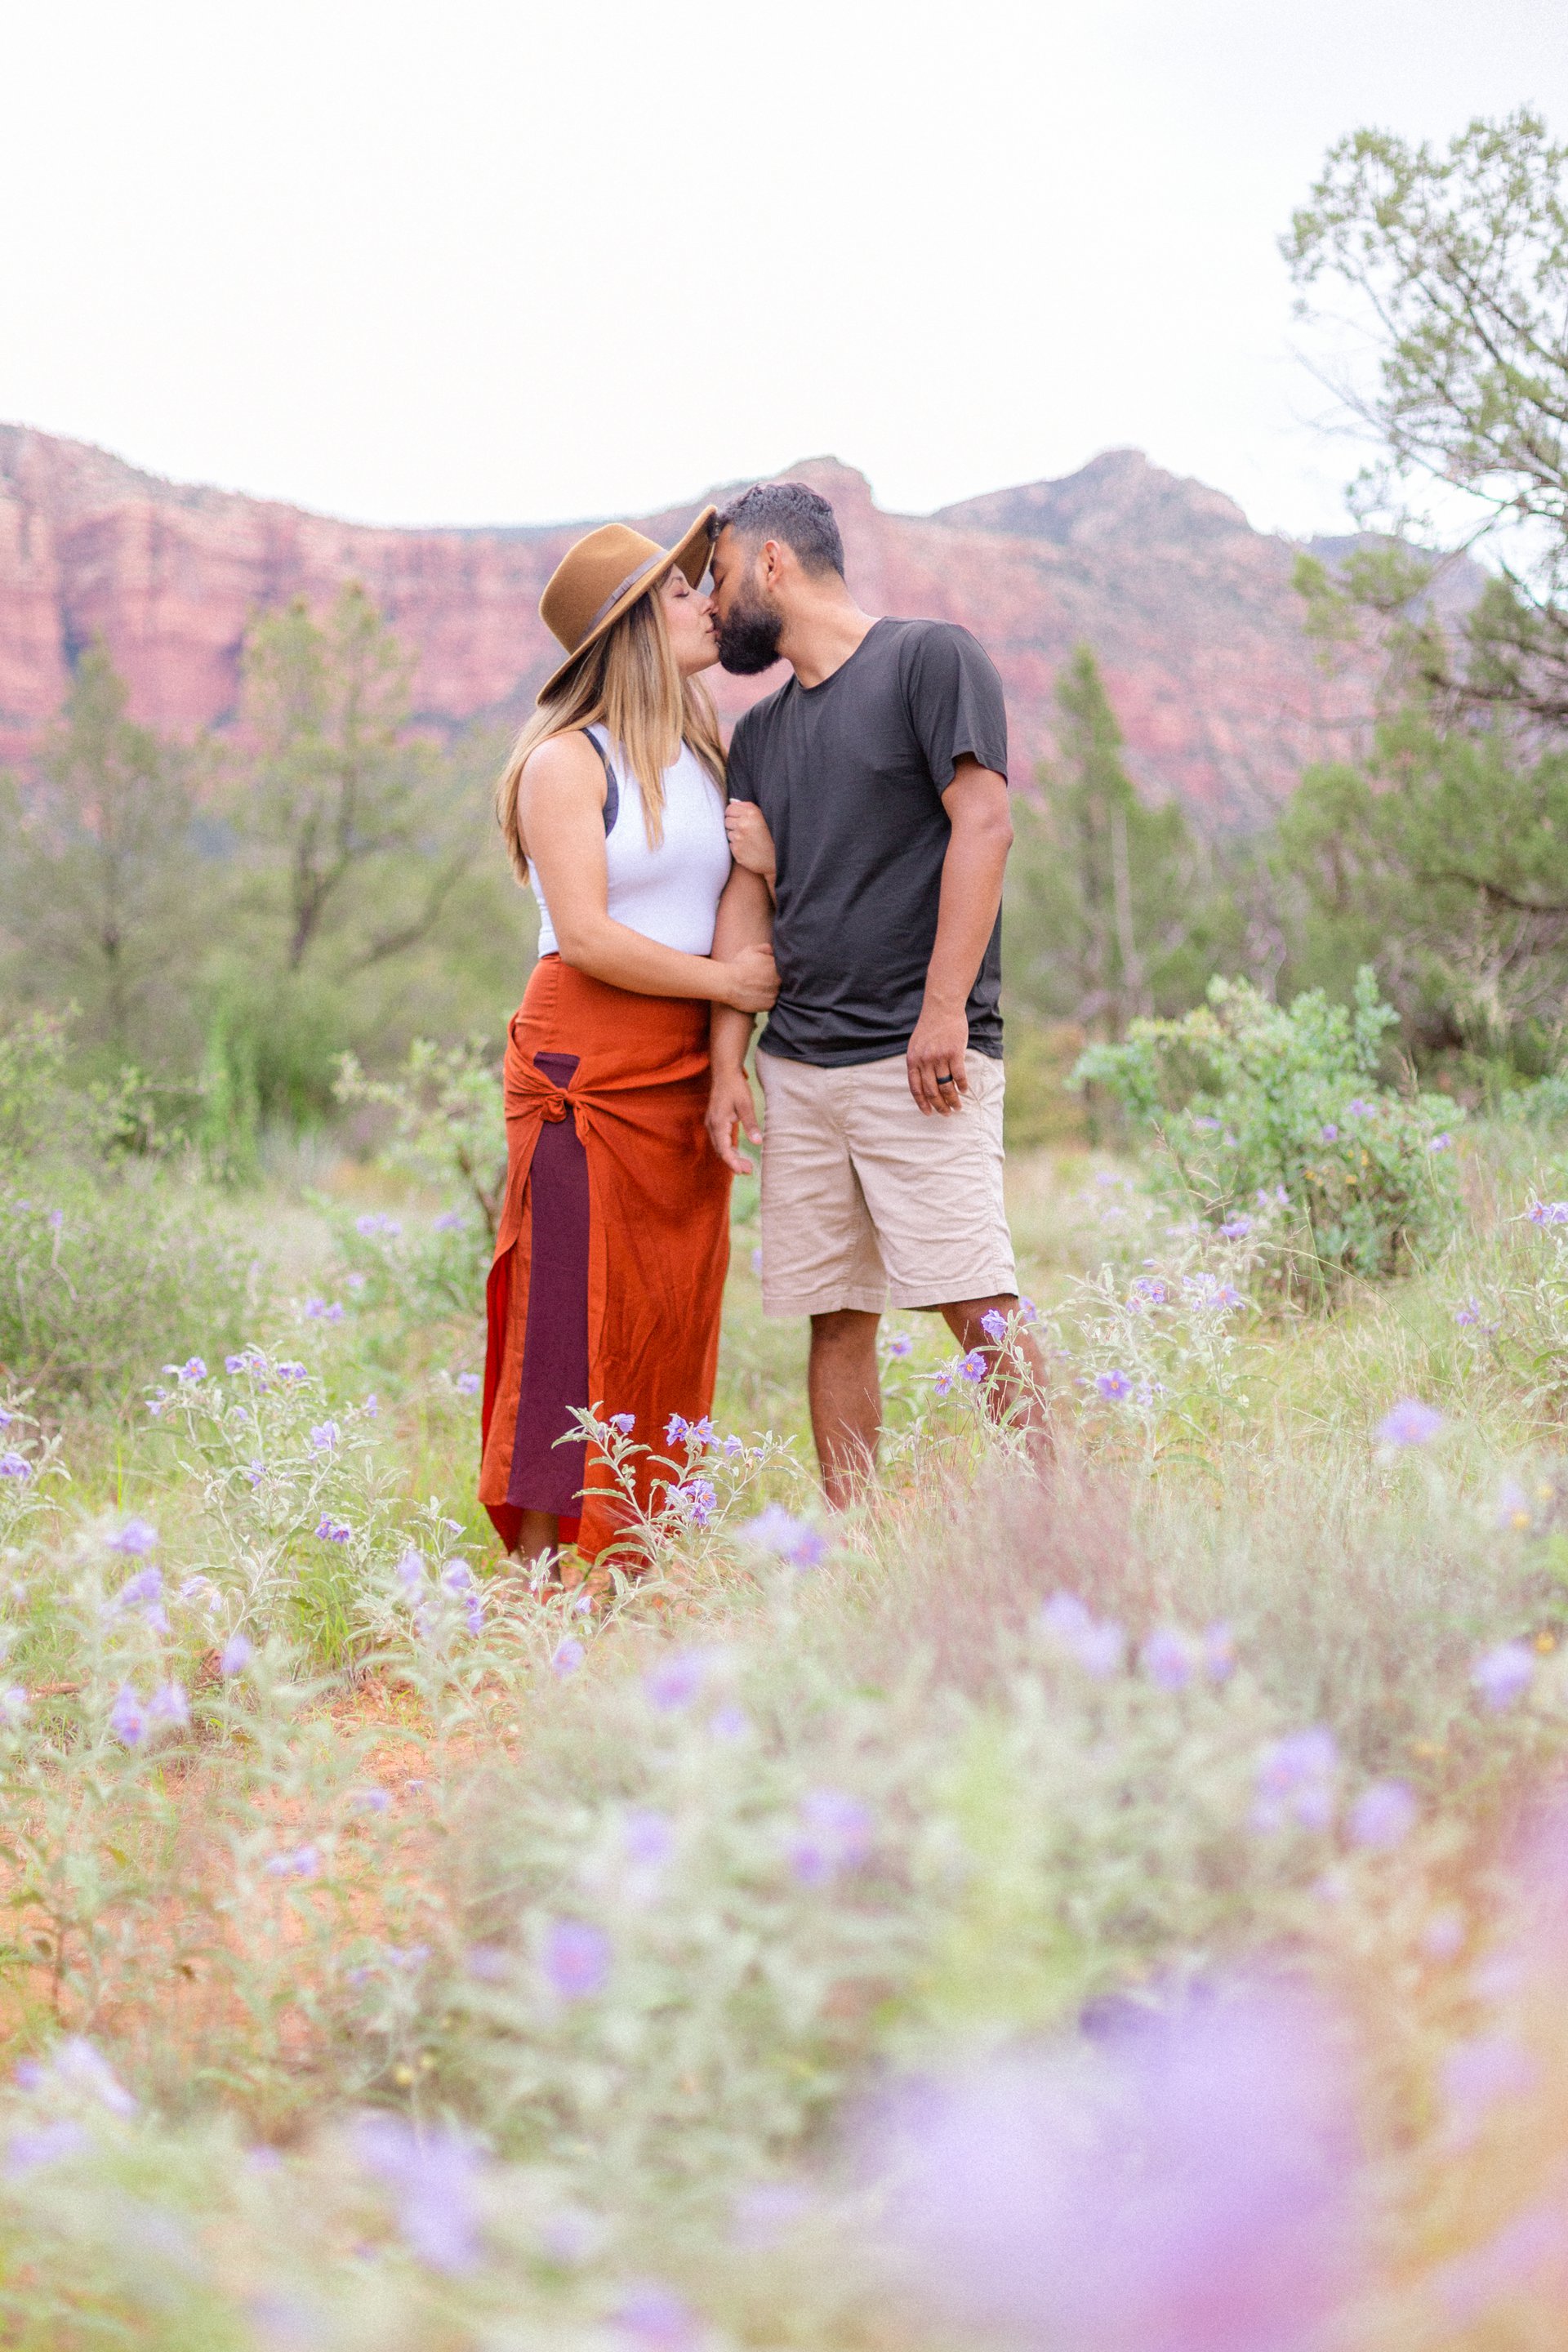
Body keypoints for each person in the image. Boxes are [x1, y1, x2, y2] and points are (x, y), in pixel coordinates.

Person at [704, 479, 1045, 1507]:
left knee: (973, 1294)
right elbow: (745, 902)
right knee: (834, 1313)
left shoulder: (929, 659)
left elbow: (984, 827)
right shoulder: (758, 736)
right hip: (800, 1067)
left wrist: (944, 1012)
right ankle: (857, 1546)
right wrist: (729, 1065)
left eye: (720, 578)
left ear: (772, 563)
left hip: (921, 1056)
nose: (713, 607)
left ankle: (1060, 1512)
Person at [480, 508, 777, 1569]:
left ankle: (637, 1552)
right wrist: (725, 980)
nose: (706, 603)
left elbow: (735, 907)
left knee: (668, 1304)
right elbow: (593, 936)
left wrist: (725, 1060)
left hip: (680, 1068)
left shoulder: (709, 752)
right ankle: (544, 1576)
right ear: (633, 627)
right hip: (583, 1065)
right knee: (568, 1306)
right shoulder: (566, 763)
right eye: (680, 592)